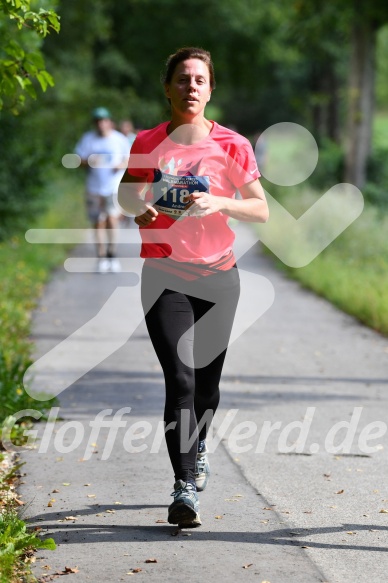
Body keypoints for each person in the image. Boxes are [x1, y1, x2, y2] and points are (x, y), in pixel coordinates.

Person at [118, 47, 269, 528]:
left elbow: (260, 208)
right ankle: (184, 486)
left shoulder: (233, 144)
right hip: (164, 275)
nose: (191, 87)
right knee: (180, 381)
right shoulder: (148, 141)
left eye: (200, 79)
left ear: (210, 89)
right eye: (182, 79)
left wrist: (220, 202)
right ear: (167, 88)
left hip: (219, 277)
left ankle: (198, 444)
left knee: (206, 386)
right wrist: (136, 207)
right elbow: (127, 188)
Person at [75, 107, 130, 273]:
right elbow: (78, 160)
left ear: (109, 122)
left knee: (112, 220)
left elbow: (128, 159)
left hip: (113, 188)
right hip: (94, 188)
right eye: (98, 121)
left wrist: (120, 165)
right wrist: (88, 162)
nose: (101, 124)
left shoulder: (119, 139)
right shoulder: (88, 139)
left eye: (104, 120)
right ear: (95, 123)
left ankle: (112, 254)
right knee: (98, 222)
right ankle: (101, 257)